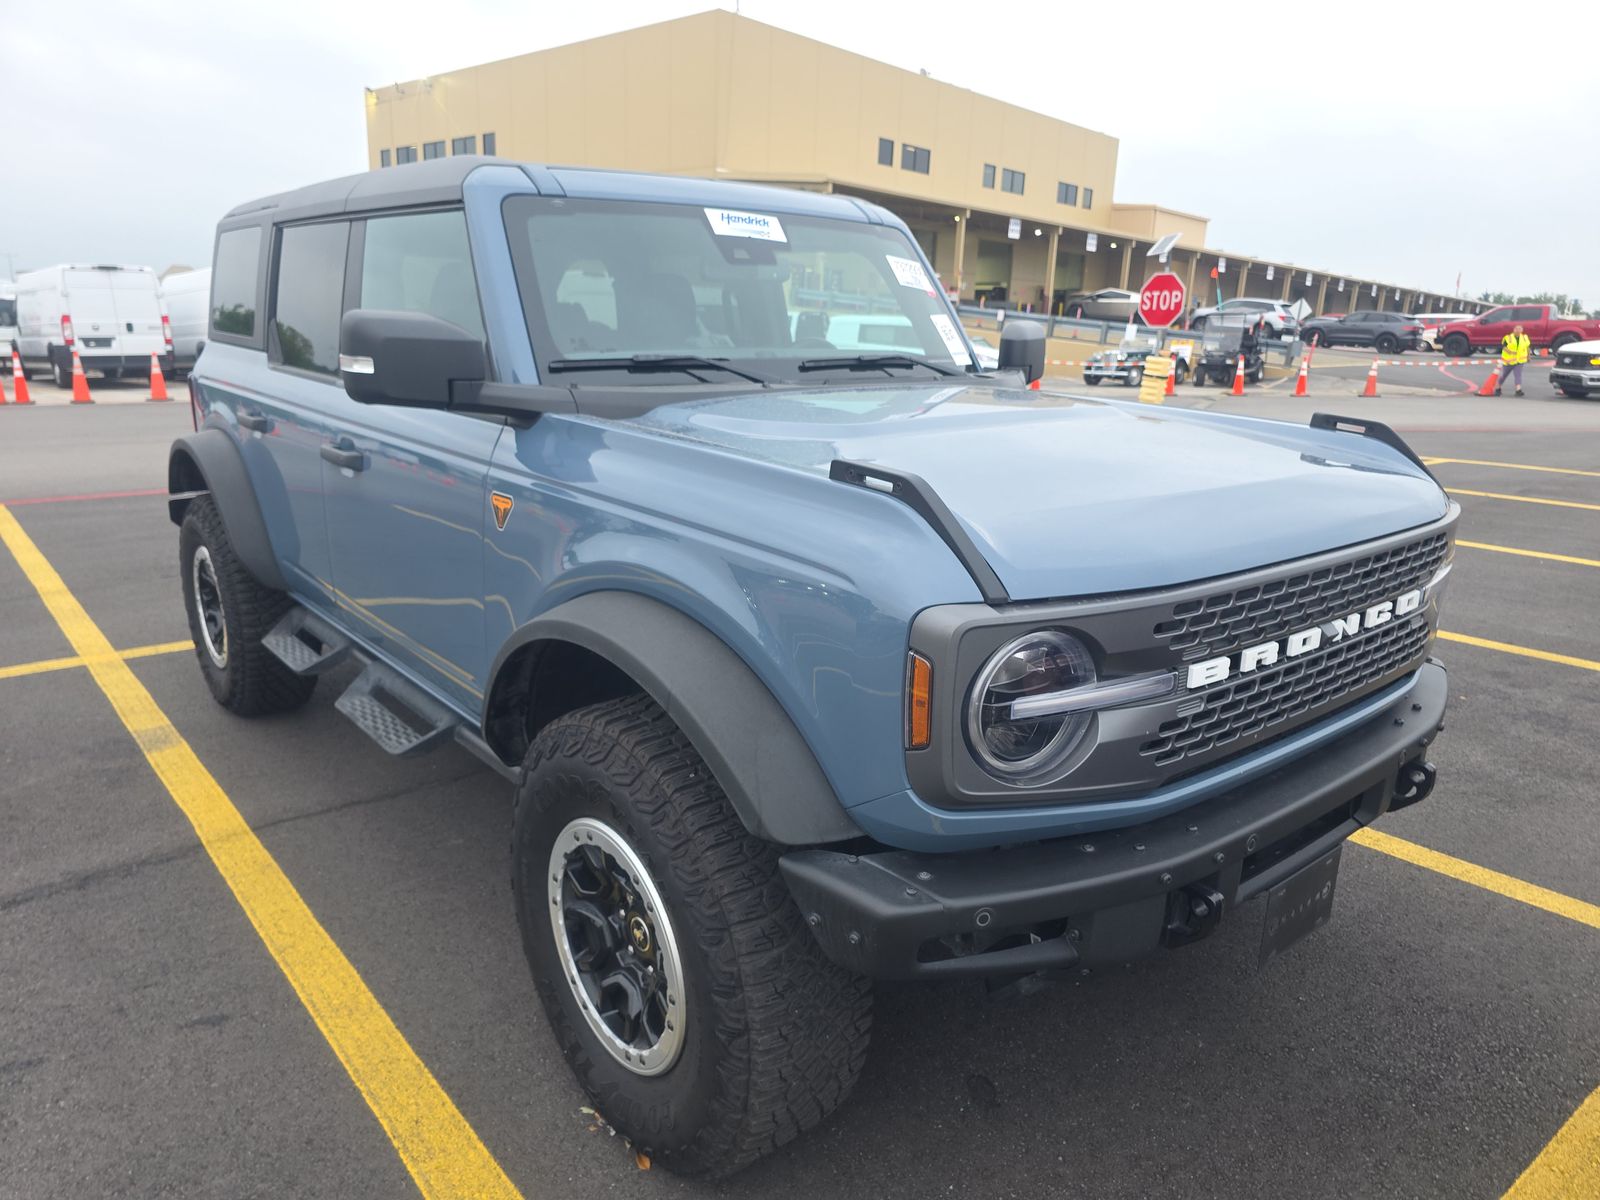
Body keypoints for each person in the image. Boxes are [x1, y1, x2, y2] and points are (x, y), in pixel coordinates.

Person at [1496, 322, 1531, 397]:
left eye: (1520, 329)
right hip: (1509, 361)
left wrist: (1528, 356)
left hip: (1520, 361)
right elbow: (1504, 347)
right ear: (1513, 329)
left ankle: (1518, 390)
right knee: (1504, 375)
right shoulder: (1508, 337)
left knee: (1518, 375)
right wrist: (1510, 352)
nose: (1518, 330)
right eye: (1516, 329)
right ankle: (1498, 388)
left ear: (1522, 330)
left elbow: (1527, 347)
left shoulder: (1525, 337)